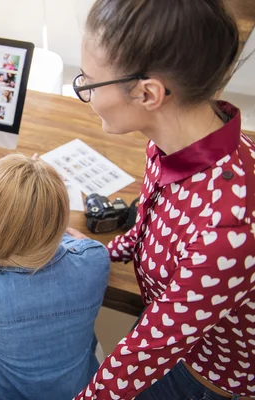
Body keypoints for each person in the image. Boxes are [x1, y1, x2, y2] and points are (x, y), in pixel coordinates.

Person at [72, 0, 255, 399]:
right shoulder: (175, 140)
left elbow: (147, 352)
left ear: (147, 93)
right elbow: (146, 228)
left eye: (87, 80)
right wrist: (97, 252)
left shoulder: (228, 227)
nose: (83, 90)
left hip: (206, 375)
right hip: (170, 330)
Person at [0, 154, 109, 400]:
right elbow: (77, 243)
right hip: (77, 387)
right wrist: (41, 197)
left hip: (0, 390)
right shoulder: (96, 259)